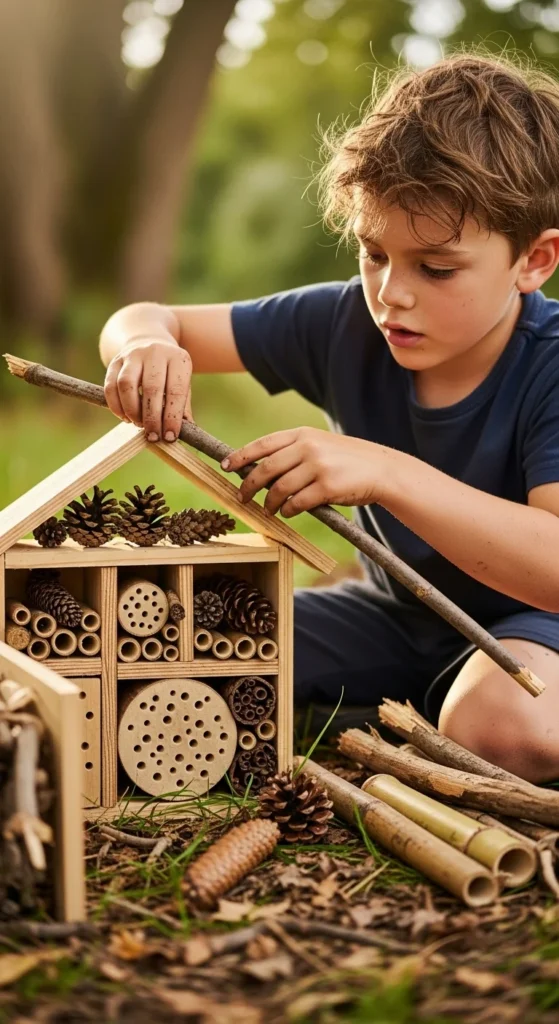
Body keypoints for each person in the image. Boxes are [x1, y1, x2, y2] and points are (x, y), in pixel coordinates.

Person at [100, 52, 559, 783]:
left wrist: (386, 473)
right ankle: (378, 714)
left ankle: (404, 716)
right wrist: (146, 346)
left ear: (533, 260)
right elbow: (147, 317)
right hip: (388, 619)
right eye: (372, 253)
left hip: (538, 637)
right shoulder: (344, 321)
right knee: (161, 644)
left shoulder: (550, 364)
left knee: (504, 725)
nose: (390, 295)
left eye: (435, 269)